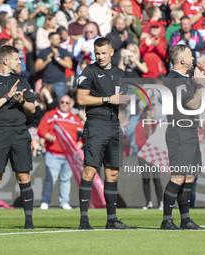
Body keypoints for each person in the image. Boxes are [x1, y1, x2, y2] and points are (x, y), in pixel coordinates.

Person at [77, 37, 132, 230]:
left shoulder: (120, 73)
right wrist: (109, 99)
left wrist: (124, 100)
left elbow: (123, 100)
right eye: (97, 53)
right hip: (95, 124)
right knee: (90, 171)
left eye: (103, 53)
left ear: (111, 52)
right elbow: (82, 98)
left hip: (114, 125)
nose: (100, 57)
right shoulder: (89, 71)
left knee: (113, 173)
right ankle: (84, 221)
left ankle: (112, 221)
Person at [0, 45, 35, 229]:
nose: (20, 61)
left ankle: (29, 223)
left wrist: (21, 101)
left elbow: (32, 108)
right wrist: (7, 97)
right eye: (17, 58)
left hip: (19, 132)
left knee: (23, 177)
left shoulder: (23, 81)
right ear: (6, 60)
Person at [161, 45, 205, 230]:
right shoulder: (174, 80)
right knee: (178, 176)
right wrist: (200, 85)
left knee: (189, 176)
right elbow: (195, 104)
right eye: (190, 55)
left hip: (189, 132)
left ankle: (185, 219)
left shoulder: (183, 78)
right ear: (182, 60)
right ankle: (166, 220)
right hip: (179, 133)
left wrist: (201, 81)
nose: (193, 58)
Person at [37, 95, 83, 210]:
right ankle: (45, 202)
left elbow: (82, 136)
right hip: (53, 153)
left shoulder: (76, 119)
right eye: (62, 102)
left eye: (67, 103)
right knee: (50, 179)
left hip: (70, 156)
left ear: (71, 104)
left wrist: (78, 146)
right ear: (59, 103)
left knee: (66, 179)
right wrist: (48, 136)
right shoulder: (50, 114)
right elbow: (41, 129)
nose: (64, 104)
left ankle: (64, 202)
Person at [134, 105, 163, 210]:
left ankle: (160, 202)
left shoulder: (157, 124)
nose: (155, 113)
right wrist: (150, 140)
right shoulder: (140, 125)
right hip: (143, 156)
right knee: (146, 179)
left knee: (157, 179)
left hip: (155, 155)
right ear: (148, 112)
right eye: (154, 111)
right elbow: (138, 142)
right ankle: (148, 203)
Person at [35, 32, 73, 102]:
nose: (59, 41)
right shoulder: (43, 52)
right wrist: (46, 61)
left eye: (59, 39)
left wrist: (57, 59)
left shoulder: (63, 51)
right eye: (56, 39)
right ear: (50, 40)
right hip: (47, 83)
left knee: (60, 104)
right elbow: (37, 68)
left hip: (60, 83)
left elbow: (69, 65)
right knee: (46, 104)